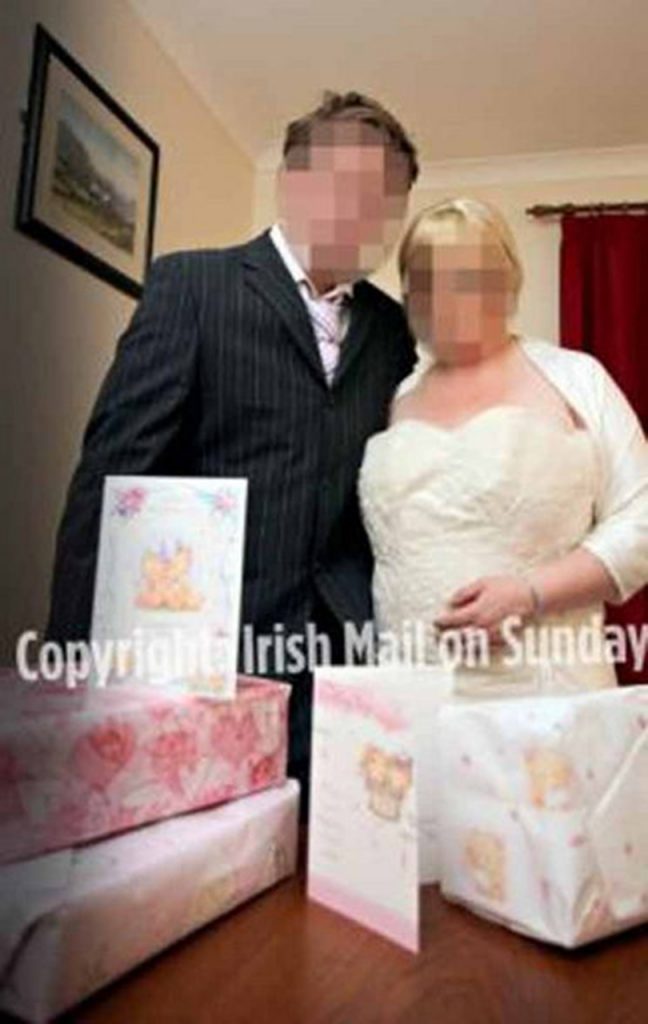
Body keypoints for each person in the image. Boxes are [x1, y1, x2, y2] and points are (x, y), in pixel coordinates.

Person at [45, 91, 419, 806]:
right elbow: (114, 479)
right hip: (201, 653)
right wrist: (71, 658)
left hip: (339, 660)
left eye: (383, 195)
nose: (361, 207)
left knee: (317, 848)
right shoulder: (191, 285)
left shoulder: (394, 330)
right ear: (293, 181)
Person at [358, 197, 648, 693]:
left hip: (544, 696)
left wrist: (530, 593)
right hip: (411, 697)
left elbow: (642, 520)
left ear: (506, 280)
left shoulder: (576, 379)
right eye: (429, 281)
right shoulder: (398, 394)